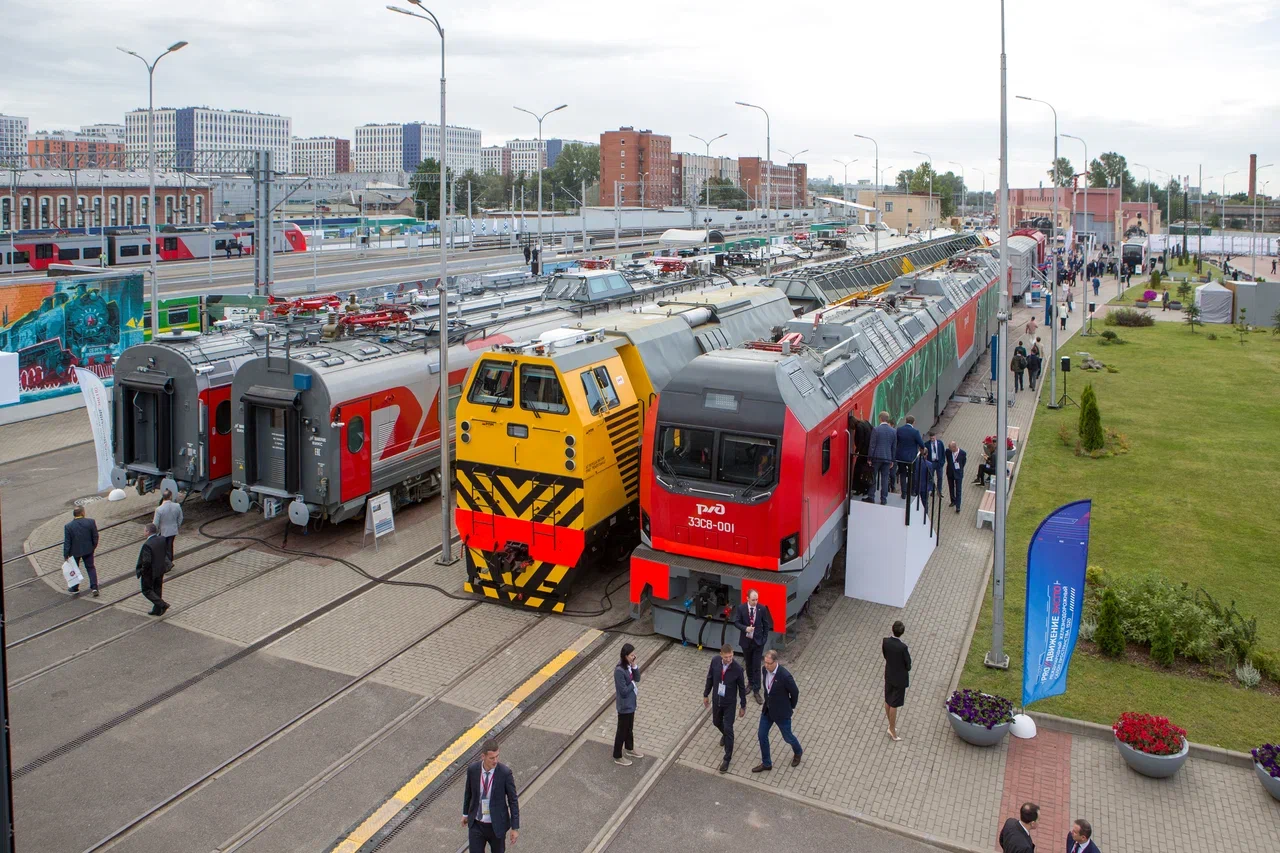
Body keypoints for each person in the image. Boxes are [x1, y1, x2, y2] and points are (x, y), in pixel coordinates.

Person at [462, 740, 519, 853]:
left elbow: (513, 800)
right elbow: (468, 793)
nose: (495, 761)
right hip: (477, 824)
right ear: (483, 756)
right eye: (492, 758)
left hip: (496, 826)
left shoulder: (505, 773)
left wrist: (515, 827)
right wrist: (465, 814)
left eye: (497, 756)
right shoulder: (473, 770)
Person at [752, 649, 802, 773]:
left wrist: (790, 706)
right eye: (765, 663)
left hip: (781, 713)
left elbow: (795, 692)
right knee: (761, 735)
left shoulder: (785, 676)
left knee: (787, 737)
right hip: (768, 710)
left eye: (769, 663)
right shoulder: (764, 670)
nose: (766, 665)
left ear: (776, 662)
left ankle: (798, 751)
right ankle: (767, 763)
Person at [704, 644, 747, 773]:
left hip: (729, 703)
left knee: (728, 728)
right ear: (721, 654)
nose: (729, 659)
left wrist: (743, 705)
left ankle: (727, 758)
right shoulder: (715, 661)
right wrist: (706, 694)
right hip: (717, 700)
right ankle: (726, 735)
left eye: (731, 656)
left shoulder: (737, 669)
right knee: (716, 722)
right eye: (727, 657)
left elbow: (742, 688)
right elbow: (710, 678)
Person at [733, 589, 773, 703]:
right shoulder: (741, 609)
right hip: (746, 642)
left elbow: (766, 624)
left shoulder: (762, 609)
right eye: (753, 600)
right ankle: (750, 683)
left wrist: (764, 639)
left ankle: (757, 690)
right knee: (748, 664)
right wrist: (745, 628)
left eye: (756, 599)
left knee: (756, 666)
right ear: (747, 599)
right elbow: (736, 622)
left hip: (758, 642)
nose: (755, 602)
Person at [612, 643, 644, 765]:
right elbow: (624, 691)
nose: (634, 656)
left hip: (631, 704)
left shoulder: (629, 667)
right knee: (622, 730)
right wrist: (632, 684)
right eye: (631, 655)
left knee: (629, 728)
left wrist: (634, 666)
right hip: (625, 705)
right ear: (625, 656)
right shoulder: (619, 671)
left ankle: (630, 748)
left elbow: (638, 678)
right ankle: (617, 755)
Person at [882, 621, 912, 741]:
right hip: (899, 678)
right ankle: (892, 729)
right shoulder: (903, 647)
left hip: (889, 674)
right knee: (894, 704)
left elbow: (885, 655)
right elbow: (908, 663)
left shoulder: (885, 641)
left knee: (888, 700)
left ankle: (891, 724)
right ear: (902, 632)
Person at [63, 506, 100, 596]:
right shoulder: (90, 522)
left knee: (75, 569)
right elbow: (95, 536)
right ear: (82, 513)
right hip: (88, 550)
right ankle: (94, 588)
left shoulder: (68, 526)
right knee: (90, 568)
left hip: (74, 552)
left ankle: (75, 588)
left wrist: (65, 555)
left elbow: (67, 542)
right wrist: (93, 547)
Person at [136, 523, 169, 616]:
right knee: (157, 588)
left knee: (146, 590)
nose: (144, 532)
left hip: (150, 572)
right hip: (160, 569)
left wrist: (142, 571)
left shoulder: (147, 545)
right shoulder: (162, 539)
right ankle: (157, 609)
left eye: (144, 530)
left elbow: (146, 561)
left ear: (147, 532)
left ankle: (162, 605)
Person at [867, 411, 897, 505]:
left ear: (880, 418)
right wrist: (892, 460)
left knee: (873, 477)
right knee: (885, 478)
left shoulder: (876, 429)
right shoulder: (893, 431)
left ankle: (871, 496)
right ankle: (884, 499)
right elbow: (894, 447)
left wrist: (869, 458)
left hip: (876, 457)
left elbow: (872, 445)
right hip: (887, 458)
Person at [894, 415, 926, 498]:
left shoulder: (899, 430)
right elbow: (921, 444)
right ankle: (911, 492)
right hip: (911, 458)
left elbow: (896, 442)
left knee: (902, 474)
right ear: (913, 422)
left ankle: (903, 493)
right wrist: (922, 449)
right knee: (912, 474)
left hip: (900, 456)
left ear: (906, 421)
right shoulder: (915, 432)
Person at [153, 489, 183, 562]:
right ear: (170, 496)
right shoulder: (177, 506)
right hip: (173, 530)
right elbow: (180, 518)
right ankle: (169, 561)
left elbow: (155, 523)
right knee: (170, 546)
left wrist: (156, 532)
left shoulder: (159, 509)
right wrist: (177, 526)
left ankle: (166, 562)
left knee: (163, 547)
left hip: (163, 531)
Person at [944, 441, 967, 512]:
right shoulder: (948, 451)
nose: (949, 449)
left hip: (958, 474)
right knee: (951, 487)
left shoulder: (962, 453)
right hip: (950, 473)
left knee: (958, 490)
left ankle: (958, 506)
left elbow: (963, 463)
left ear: (954, 447)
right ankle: (953, 500)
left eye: (951, 448)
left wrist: (959, 469)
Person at [925, 430, 945, 497]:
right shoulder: (927, 444)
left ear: (935, 437)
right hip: (931, 463)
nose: (932, 440)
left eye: (933, 438)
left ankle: (939, 491)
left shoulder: (940, 443)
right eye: (931, 439)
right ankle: (932, 491)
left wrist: (942, 462)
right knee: (931, 477)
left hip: (938, 463)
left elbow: (943, 453)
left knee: (940, 477)